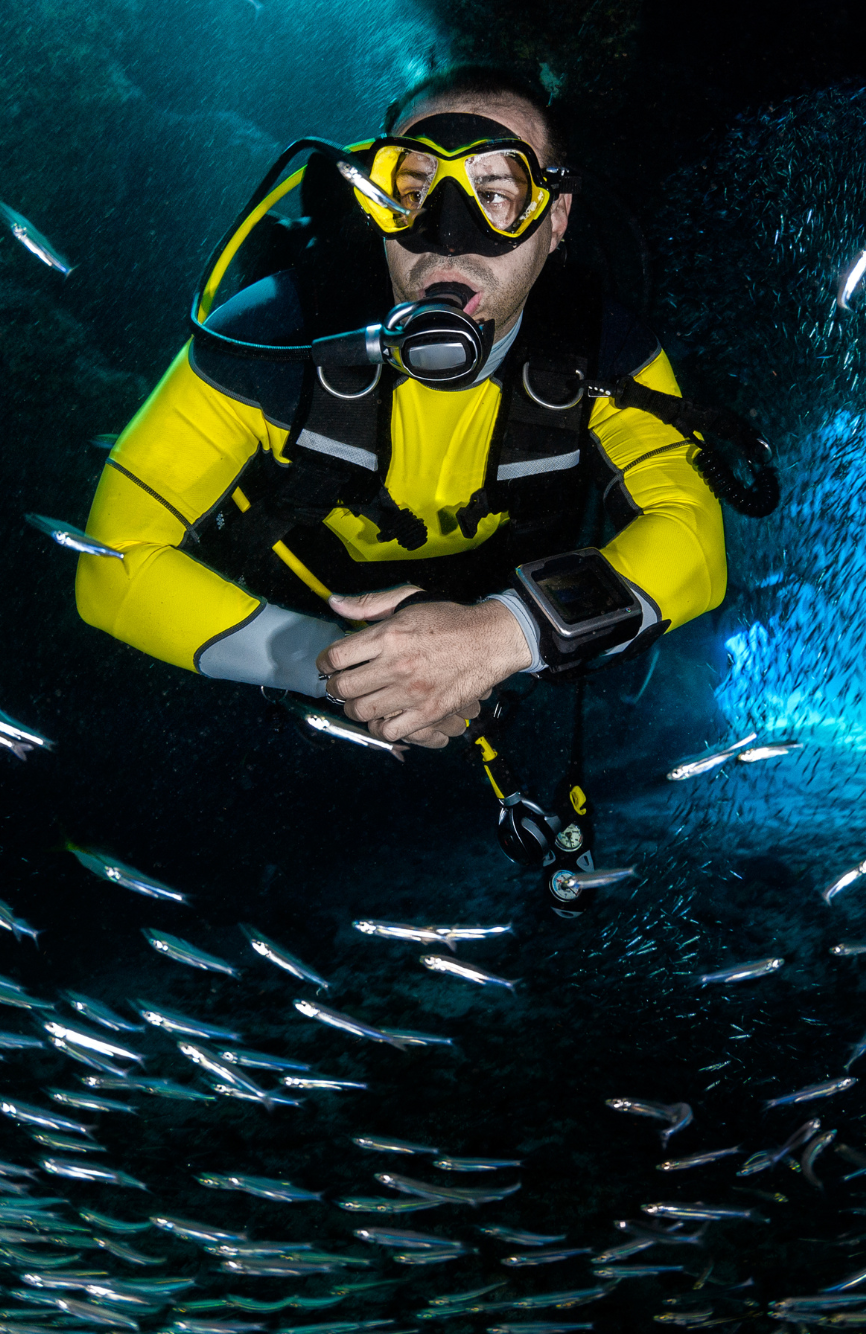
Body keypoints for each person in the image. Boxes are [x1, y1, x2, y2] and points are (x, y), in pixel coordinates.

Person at [74, 64, 730, 910]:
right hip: (308, 628)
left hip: (521, 622)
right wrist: (355, 671)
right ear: (372, 204)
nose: (446, 238)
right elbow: (108, 564)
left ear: (556, 219)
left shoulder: (604, 349)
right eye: (413, 187)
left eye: (498, 193)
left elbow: (697, 536)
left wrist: (498, 637)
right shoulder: (269, 340)